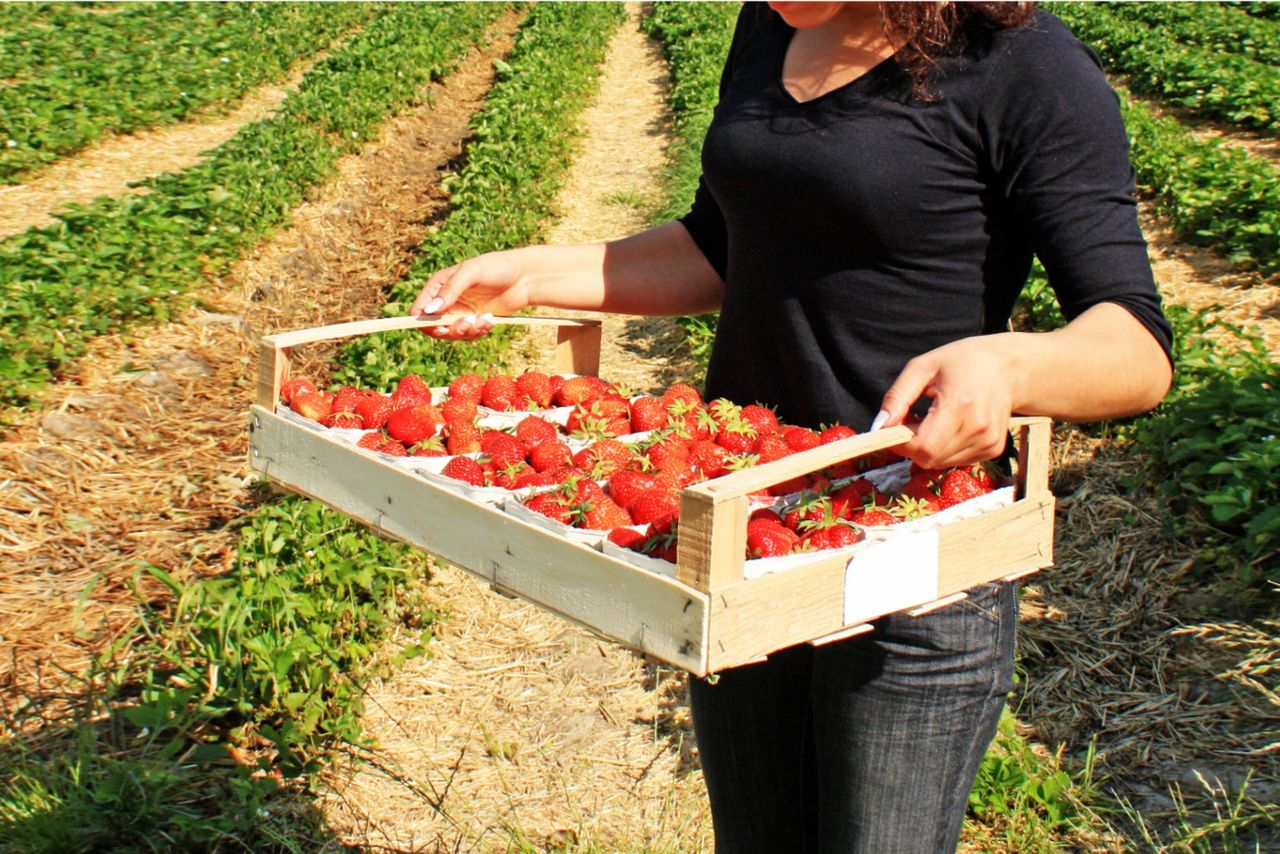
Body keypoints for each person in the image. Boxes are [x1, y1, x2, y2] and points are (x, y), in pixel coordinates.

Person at [409, 2, 1173, 851]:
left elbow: (1136, 345)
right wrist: (533, 275)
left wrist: (1012, 365)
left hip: (908, 553)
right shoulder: (769, 23)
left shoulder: (1023, 64)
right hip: (742, 529)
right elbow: (723, 247)